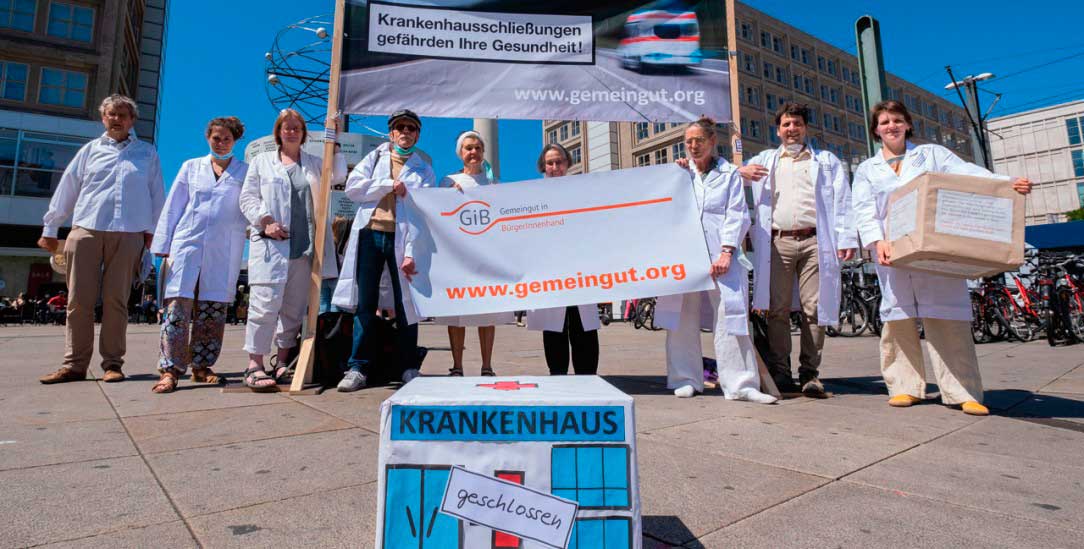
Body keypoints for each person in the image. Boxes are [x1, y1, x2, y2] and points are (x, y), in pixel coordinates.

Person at [851, 100, 1032, 416]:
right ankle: (905, 387)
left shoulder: (932, 154)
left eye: (896, 120)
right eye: (884, 122)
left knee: (947, 317)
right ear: (875, 130)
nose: (891, 126)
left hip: (933, 247)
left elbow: (968, 174)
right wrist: (875, 242)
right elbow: (864, 210)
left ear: (908, 124)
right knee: (898, 320)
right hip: (892, 250)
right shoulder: (868, 169)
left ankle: (963, 391)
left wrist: (1006, 183)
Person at [38, 94, 165, 384]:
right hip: (86, 229)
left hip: (129, 233)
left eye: (123, 114)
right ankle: (74, 365)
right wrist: (50, 228)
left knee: (116, 301)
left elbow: (157, 196)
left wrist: (156, 236)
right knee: (77, 300)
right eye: (111, 114)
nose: (117, 119)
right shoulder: (89, 151)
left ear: (132, 120)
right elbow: (68, 188)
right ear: (103, 118)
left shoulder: (147, 154)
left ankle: (113, 364)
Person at [738, 102, 858, 396]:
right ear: (777, 130)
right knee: (776, 309)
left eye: (797, 124)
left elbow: (842, 200)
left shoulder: (826, 161)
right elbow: (726, 173)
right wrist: (740, 169)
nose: (792, 129)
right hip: (777, 242)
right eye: (786, 125)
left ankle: (810, 374)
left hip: (815, 242)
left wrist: (846, 239)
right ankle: (781, 373)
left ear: (805, 128)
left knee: (813, 309)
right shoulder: (766, 160)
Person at [660, 118, 775, 403]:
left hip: (721, 258)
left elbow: (737, 214)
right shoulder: (680, 174)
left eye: (699, 140)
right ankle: (686, 378)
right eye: (688, 141)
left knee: (731, 317)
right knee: (682, 318)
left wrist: (726, 251)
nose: (693, 146)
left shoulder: (730, 174)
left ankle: (741, 384)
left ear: (712, 141)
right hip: (686, 257)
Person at [240, 109, 345, 390]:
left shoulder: (313, 163)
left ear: (303, 133)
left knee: (293, 309)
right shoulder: (262, 162)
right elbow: (248, 197)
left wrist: (334, 135)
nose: (291, 132)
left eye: (296, 128)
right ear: (278, 131)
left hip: (304, 248)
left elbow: (337, 173)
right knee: (263, 306)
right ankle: (254, 365)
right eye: (286, 127)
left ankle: (283, 361)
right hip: (272, 245)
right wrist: (265, 221)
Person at [334, 109, 435, 391]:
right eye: (400, 127)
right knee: (365, 305)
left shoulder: (424, 168)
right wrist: (389, 185)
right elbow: (354, 189)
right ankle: (358, 368)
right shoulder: (376, 157)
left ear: (417, 134)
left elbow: (421, 214)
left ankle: (408, 367)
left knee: (407, 306)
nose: (405, 132)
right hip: (371, 234)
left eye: (411, 128)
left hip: (402, 240)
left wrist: (412, 252)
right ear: (391, 133)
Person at [149, 116, 249, 393]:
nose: (221, 142)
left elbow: (251, 204)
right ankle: (170, 369)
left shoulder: (245, 171)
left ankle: (202, 367)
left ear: (235, 140)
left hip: (224, 248)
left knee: (213, 309)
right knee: (176, 309)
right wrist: (163, 243)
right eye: (216, 137)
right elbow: (174, 205)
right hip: (186, 244)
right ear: (208, 138)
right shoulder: (191, 167)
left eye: (227, 138)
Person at [436, 131, 513, 376]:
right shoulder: (448, 181)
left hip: (485, 257)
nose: (473, 152)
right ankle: (457, 366)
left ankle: (487, 366)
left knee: (486, 311)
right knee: (457, 313)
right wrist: (448, 196)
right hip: (458, 257)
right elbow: (438, 214)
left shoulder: (494, 184)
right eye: (468, 148)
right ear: (461, 153)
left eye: (478, 148)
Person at [526, 144, 602, 375]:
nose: (555, 167)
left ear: (568, 164)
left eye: (559, 162)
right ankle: (557, 375)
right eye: (550, 163)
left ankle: (587, 376)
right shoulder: (531, 196)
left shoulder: (582, 191)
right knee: (553, 326)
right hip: (549, 270)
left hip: (579, 268)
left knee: (583, 325)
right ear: (543, 167)